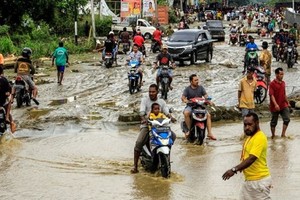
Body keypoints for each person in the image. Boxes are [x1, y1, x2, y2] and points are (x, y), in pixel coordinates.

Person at [222, 112, 271, 199]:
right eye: (245, 125)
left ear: (257, 123)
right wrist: (241, 167)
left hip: (258, 181)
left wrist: (234, 169)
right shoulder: (250, 137)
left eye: (250, 124)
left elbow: (252, 158)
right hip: (250, 181)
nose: (247, 127)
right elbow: (246, 156)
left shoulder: (259, 137)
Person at [131, 84, 176, 174]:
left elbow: (166, 112)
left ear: (157, 92)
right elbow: (142, 112)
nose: (151, 93)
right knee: (139, 143)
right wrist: (144, 119)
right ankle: (135, 166)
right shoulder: (144, 100)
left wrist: (172, 117)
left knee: (173, 136)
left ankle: (166, 157)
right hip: (148, 126)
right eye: (150, 92)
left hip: (161, 127)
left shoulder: (162, 102)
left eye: (153, 92)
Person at [181, 74, 216, 140]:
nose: (197, 81)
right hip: (191, 106)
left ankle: (210, 133)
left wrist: (209, 101)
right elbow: (183, 97)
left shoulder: (201, 88)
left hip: (200, 106)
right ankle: (188, 130)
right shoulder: (187, 89)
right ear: (191, 81)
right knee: (186, 113)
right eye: (195, 80)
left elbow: (206, 95)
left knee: (208, 115)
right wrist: (186, 101)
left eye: (197, 80)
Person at [269, 67, 291, 139]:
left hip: (283, 105)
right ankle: (273, 135)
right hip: (275, 106)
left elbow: (284, 94)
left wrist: (288, 103)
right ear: (276, 74)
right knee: (274, 122)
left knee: (287, 119)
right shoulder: (272, 84)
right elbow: (271, 95)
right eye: (281, 74)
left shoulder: (283, 83)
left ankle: (283, 134)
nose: (282, 76)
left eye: (282, 74)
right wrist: (275, 105)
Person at [0, 67, 16, 133]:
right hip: (2, 101)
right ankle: (8, 119)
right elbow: (8, 92)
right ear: (2, 72)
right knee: (9, 100)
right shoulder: (4, 79)